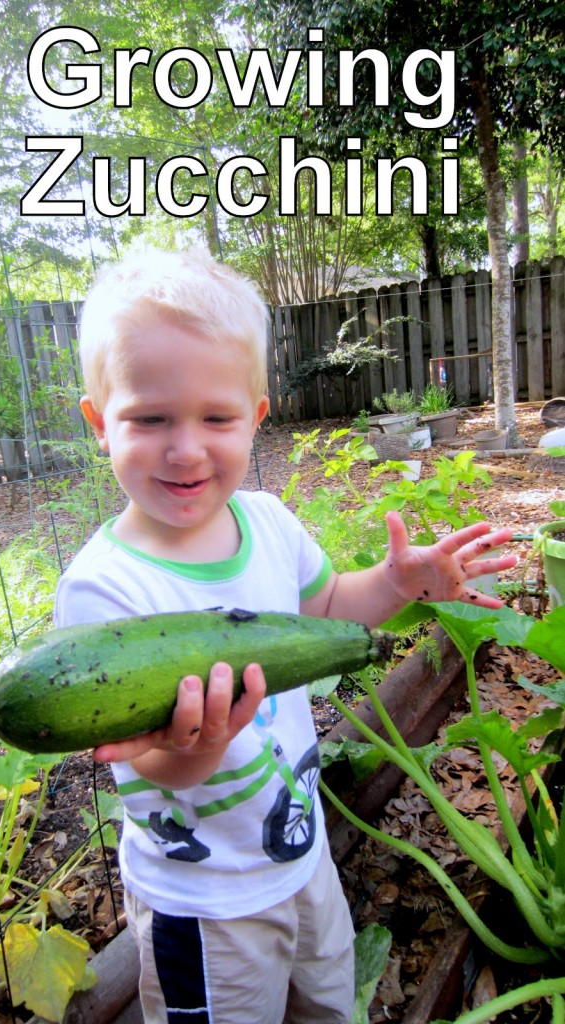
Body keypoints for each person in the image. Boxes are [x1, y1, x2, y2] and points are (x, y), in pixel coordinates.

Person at [54, 249, 516, 1024]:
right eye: (149, 418)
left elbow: (330, 608)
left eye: (216, 418)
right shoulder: (104, 589)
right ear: (100, 423)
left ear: (257, 418)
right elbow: (142, 764)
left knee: (328, 1007)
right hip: (202, 905)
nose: (186, 447)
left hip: (300, 863)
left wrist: (398, 585)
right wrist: (196, 747)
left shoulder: (267, 523)